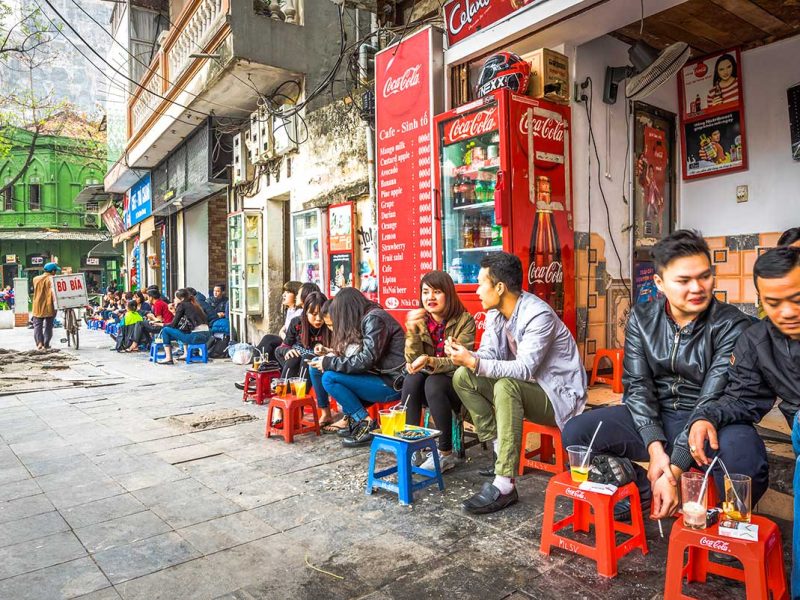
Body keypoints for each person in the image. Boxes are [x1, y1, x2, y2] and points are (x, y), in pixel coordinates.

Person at [562, 230, 764, 523]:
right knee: (577, 433)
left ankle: (726, 521)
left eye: (704, 277)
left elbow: (712, 396)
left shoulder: (732, 325)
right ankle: (648, 490)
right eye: (683, 281)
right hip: (657, 416)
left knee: (747, 459)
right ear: (659, 283)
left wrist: (676, 468)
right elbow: (638, 387)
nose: (697, 288)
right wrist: (656, 451)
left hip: (712, 421)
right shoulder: (642, 319)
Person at [685, 246, 799, 598]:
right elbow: (742, 400)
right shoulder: (757, 341)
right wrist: (706, 416)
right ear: (761, 299)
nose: (788, 312)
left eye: (797, 298)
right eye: (774, 302)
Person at [446, 252, 586, 514]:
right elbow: (489, 356)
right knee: (463, 377)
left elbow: (523, 369)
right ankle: (502, 453)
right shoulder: (496, 314)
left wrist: (474, 362)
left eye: (480, 284)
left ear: (499, 287)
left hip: (558, 396)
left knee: (505, 385)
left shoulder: (537, 315)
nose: (476, 290)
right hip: (526, 388)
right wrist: (467, 357)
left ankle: (505, 484)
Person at [307, 288, 405, 447]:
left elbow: (366, 359)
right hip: (382, 378)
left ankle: (365, 423)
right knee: (325, 372)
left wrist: (329, 363)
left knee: (329, 378)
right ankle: (353, 419)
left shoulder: (374, 319)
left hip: (392, 383)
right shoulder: (368, 318)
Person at [402, 271, 476, 473]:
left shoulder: (465, 320)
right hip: (425, 386)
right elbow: (411, 360)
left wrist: (429, 361)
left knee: (433, 383)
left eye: (437, 292)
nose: (430, 297)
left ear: (449, 294)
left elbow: (458, 362)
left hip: (456, 386)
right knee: (412, 379)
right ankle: (411, 447)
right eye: (425, 292)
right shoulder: (420, 320)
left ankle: (445, 454)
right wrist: (412, 331)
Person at [252, 281, 302, 364]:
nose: (284, 295)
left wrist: (281, 332)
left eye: (288, 292)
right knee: (268, 341)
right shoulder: (290, 310)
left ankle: (259, 364)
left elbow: (289, 336)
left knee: (269, 339)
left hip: (292, 343)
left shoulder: (299, 313)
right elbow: (285, 328)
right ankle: (259, 364)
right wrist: (282, 331)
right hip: (286, 339)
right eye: (284, 292)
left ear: (296, 295)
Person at [156, 288, 211, 364]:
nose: (174, 300)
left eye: (175, 298)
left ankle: (168, 358)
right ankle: (186, 354)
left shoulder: (182, 305)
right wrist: (174, 311)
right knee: (183, 330)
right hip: (207, 336)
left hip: (196, 336)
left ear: (181, 299)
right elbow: (182, 323)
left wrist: (160, 324)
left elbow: (173, 325)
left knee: (166, 330)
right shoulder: (194, 304)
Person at [32, 262, 61, 350]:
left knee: (37, 325)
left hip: (37, 305)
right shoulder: (53, 279)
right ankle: (46, 344)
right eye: (55, 271)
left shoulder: (35, 279)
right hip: (49, 306)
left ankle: (39, 343)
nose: (55, 272)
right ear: (52, 271)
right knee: (49, 325)